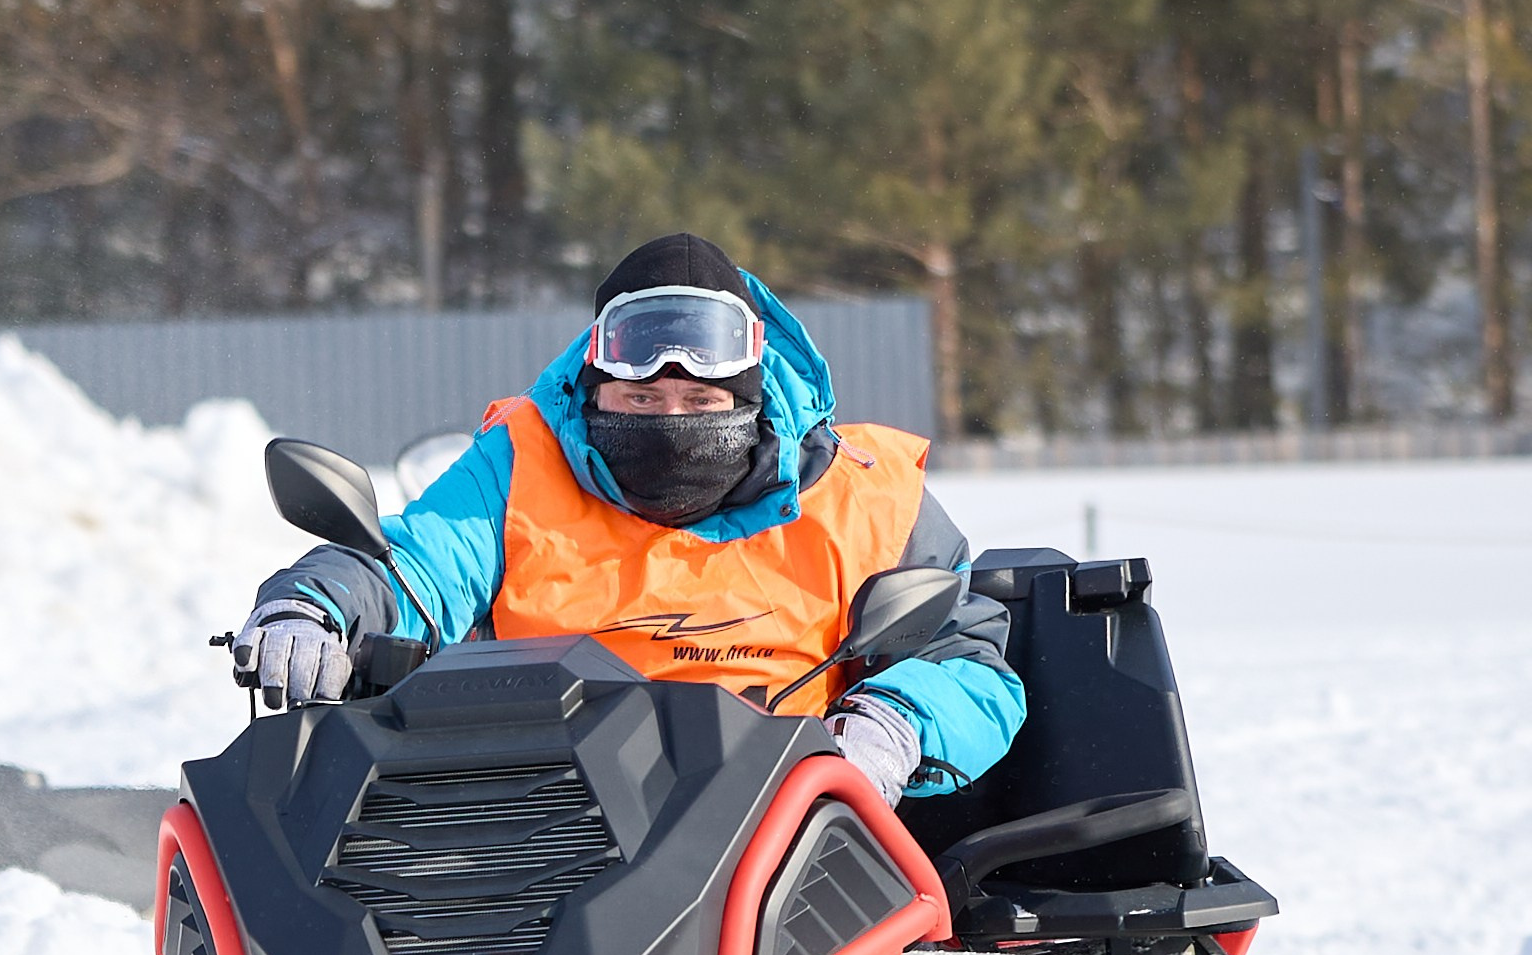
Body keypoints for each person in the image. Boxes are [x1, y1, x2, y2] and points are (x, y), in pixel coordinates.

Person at [234, 233, 1024, 806]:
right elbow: (412, 565)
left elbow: (972, 665)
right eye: (641, 400)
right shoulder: (521, 465)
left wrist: (894, 721)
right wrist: (316, 603)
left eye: (700, 402)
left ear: (749, 398)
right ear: (595, 386)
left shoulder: (865, 494)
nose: (670, 418)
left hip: (790, 829)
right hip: (542, 819)